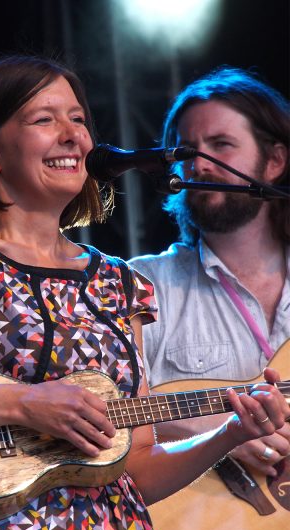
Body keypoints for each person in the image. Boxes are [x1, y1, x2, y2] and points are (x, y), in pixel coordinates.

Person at [0, 56, 288, 530]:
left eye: (78, 119)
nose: (74, 136)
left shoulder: (119, 282)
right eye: (43, 119)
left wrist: (231, 434)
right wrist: (22, 404)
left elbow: (139, 470)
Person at [129, 66, 290, 477]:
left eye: (221, 145)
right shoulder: (139, 284)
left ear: (274, 162)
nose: (199, 165)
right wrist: (222, 432)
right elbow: (102, 414)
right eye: (186, 151)